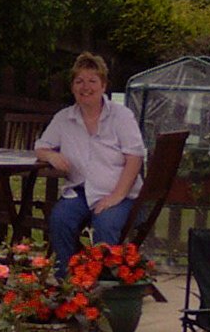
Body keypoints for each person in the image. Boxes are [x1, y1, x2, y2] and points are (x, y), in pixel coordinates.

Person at [34, 52, 146, 274]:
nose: (86, 87)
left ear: (103, 85)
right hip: (81, 192)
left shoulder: (121, 116)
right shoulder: (64, 118)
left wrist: (116, 196)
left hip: (120, 194)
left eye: (92, 81)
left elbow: (135, 157)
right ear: (72, 87)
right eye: (79, 81)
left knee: (105, 223)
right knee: (60, 220)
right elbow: (41, 146)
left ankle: (105, 286)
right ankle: (69, 282)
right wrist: (51, 155)